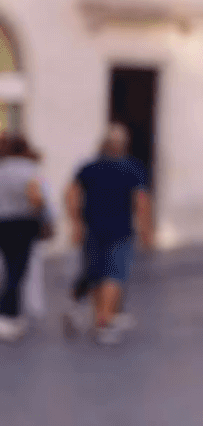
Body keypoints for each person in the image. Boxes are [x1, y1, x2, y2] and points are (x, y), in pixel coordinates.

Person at [63, 125, 153, 345]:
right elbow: (141, 200)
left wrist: (75, 223)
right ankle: (104, 322)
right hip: (120, 229)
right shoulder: (132, 168)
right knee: (114, 275)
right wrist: (146, 229)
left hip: (92, 228)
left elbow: (71, 194)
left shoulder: (89, 167)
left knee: (97, 273)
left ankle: (99, 317)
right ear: (123, 146)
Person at [0, 133, 51, 341]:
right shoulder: (28, 170)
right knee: (17, 269)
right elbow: (36, 197)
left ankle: (13, 312)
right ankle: (8, 313)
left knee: (9, 267)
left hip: (2, 222)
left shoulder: (2, 169)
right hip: (21, 223)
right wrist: (43, 216)